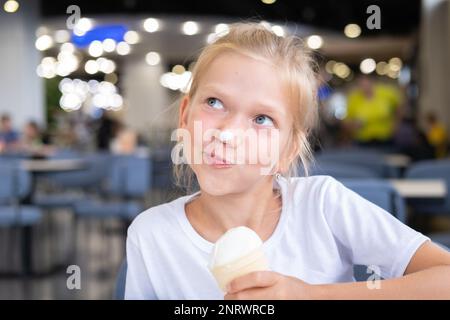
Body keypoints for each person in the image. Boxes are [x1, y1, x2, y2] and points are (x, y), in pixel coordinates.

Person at [125, 23, 450, 300]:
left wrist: (313, 294)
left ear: (288, 150)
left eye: (262, 119)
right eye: (215, 102)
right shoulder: (152, 235)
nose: (227, 134)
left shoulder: (323, 206)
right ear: (185, 116)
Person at [345, 76, 403, 148]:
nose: (364, 87)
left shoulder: (386, 93)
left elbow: (399, 107)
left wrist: (396, 124)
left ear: (372, 82)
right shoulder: (354, 98)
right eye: (361, 85)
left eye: (366, 84)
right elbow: (347, 120)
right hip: (363, 138)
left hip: (385, 137)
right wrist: (354, 125)